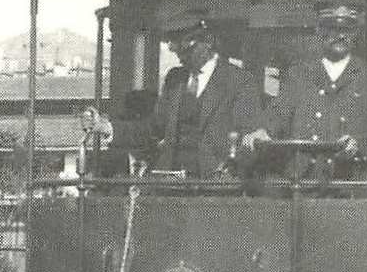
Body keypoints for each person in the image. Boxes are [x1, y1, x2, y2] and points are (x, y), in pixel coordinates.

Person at [82, 12, 262, 177]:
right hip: (171, 182)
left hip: (216, 187)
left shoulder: (239, 81)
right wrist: (105, 127)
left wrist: (229, 172)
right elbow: (152, 129)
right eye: (175, 47)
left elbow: (247, 138)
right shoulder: (175, 79)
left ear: (207, 42)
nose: (179, 55)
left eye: (186, 47)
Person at [250, 1, 367, 177]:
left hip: (350, 186)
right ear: (319, 31)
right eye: (333, 29)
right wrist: (264, 131)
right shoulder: (299, 74)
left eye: (347, 30)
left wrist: (360, 144)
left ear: (355, 33)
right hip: (305, 185)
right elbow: (278, 114)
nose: (340, 36)